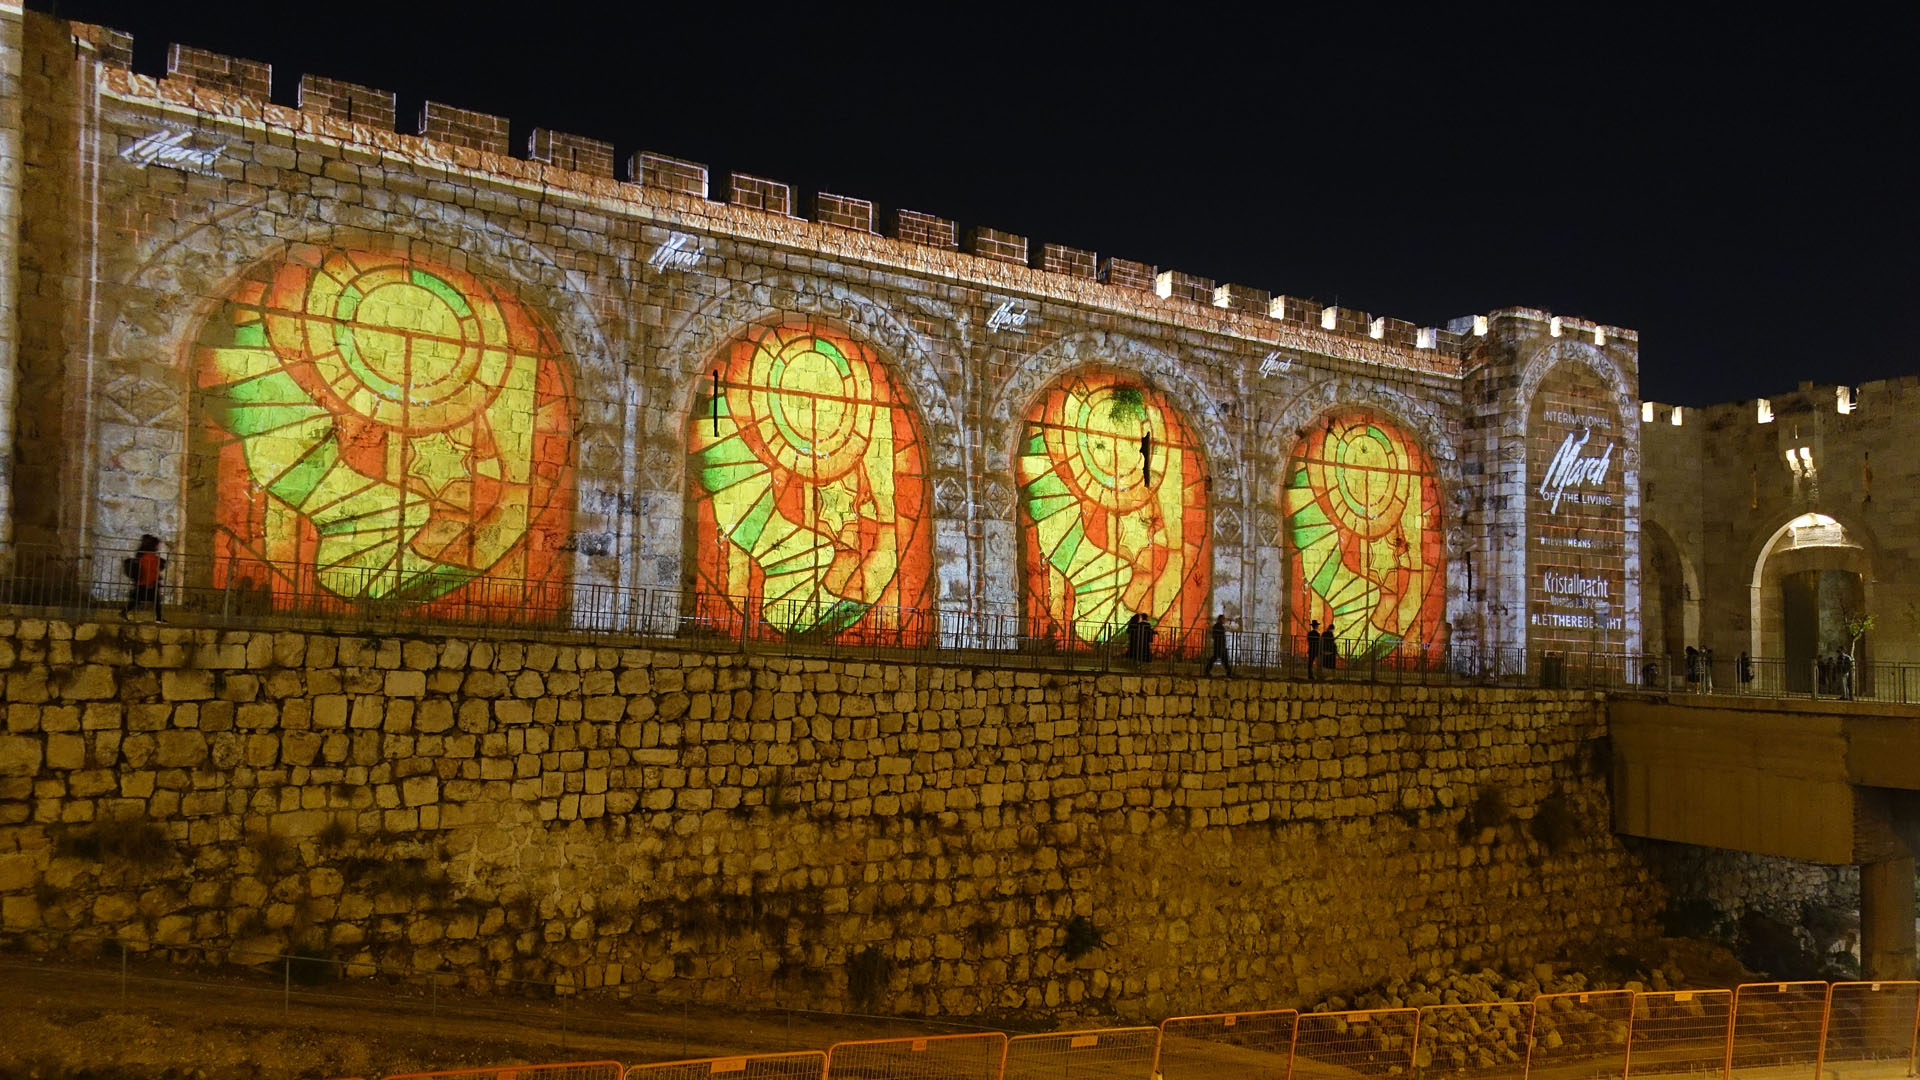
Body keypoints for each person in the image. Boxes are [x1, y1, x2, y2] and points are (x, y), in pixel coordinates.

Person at [121, 533, 166, 622]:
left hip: (142, 583)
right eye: (158, 545)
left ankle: (159, 617)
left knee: (146, 600)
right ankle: (159, 618)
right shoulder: (151, 557)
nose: (159, 547)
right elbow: (151, 571)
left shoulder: (142, 555)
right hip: (147, 584)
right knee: (151, 600)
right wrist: (155, 578)